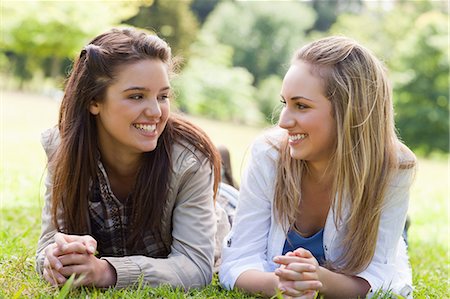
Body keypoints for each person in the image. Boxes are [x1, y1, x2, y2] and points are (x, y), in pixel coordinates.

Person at [219, 36, 416, 299]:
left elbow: (383, 279)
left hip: (376, 212)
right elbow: (236, 261)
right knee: (223, 202)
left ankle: (402, 226)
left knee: (397, 243)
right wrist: (283, 285)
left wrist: (319, 280)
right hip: (239, 200)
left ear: (350, 113)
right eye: (284, 103)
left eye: (301, 106)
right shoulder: (268, 153)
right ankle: (222, 174)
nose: (284, 121)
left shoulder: (393, 168)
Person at [36, 27, 223, 289]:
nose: (156, 111)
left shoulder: (190, 161)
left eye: (163, 96)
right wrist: (56, 258)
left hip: (222, 216)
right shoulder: (63, 148)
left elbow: (195, 266)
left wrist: (107, 272)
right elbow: (49, 242)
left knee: (225, 197)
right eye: (137, 96)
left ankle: (226, 182)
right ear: (94, 101)